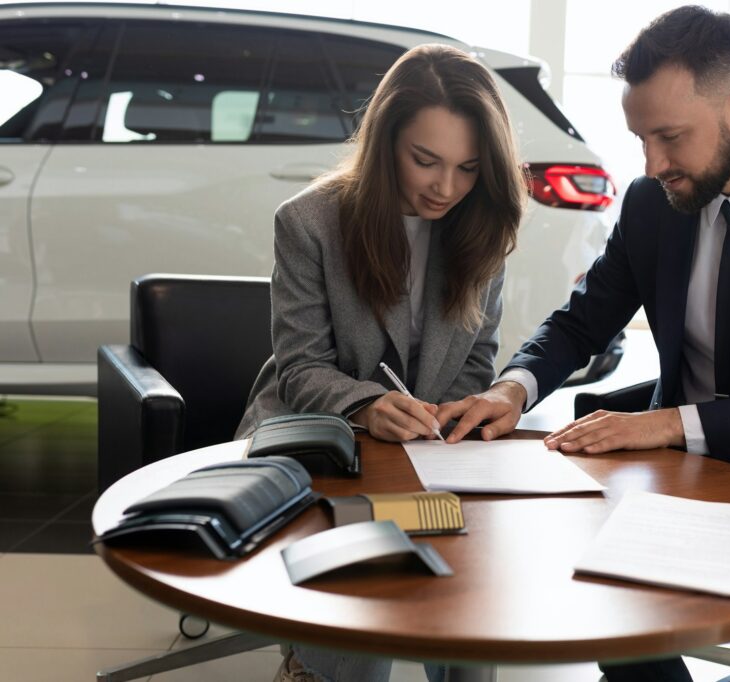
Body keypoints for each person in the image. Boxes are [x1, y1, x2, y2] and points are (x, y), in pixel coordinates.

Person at [437, 6, 730, 682]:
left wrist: (665, 424)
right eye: (640, 140)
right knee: (594, 562)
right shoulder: (652, 203)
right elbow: (581, 320)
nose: (653, 163)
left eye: (669, 137)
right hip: (684, 459)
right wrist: (512, 388)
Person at [233, 43, 527, 682]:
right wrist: (366, 404)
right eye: (425, 160)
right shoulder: (309, 222)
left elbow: (477, 359)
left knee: (466, 603)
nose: (445, 187)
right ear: (385, 140)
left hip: (431, 450)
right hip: (323, 437)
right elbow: (302, 368)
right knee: (364, 598)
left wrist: (458, 414)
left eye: (469, 167)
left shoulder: (482, 230)